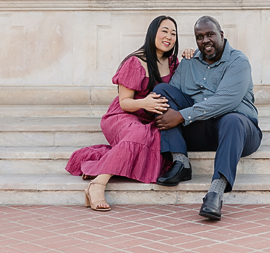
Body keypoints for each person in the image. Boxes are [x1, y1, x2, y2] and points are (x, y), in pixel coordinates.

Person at [66, 16, 184, 211]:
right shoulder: (135, 62)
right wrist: (144, 103)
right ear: (153, 32)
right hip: (123, 114)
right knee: (138, 134)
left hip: (149, 119)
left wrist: (192, 56)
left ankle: (97, 162)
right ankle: (97, 185)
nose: (169, 37)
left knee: (157, 142)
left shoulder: (172, 63)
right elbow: (125, 102)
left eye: (173, 33)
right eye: (164, 31)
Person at [153, 16, 262, 220]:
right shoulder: (189, 62)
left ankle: (215, 193)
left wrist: (182, 115)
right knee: (161, 92)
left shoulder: (238, 61)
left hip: (238, 133)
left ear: (221, 35)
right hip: (202, 130)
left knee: (232, 119)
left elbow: (226, 101)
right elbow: (173, 93)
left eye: (210, 34)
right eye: (200, 37)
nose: (205, 40)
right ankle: (180, 162)